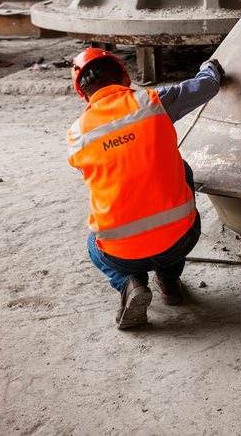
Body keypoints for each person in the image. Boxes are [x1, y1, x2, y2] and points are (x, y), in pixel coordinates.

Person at [67, 48, 223, 329]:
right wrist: (211, 66)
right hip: (179, 242)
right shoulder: (153, 101)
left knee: (94, 241)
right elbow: (207, 85)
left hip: (121, 253)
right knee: (181, 170)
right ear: (126, 77)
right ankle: (169, 280)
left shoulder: (76, 135)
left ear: (83, 95)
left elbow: (95, 175)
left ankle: (130, 283)